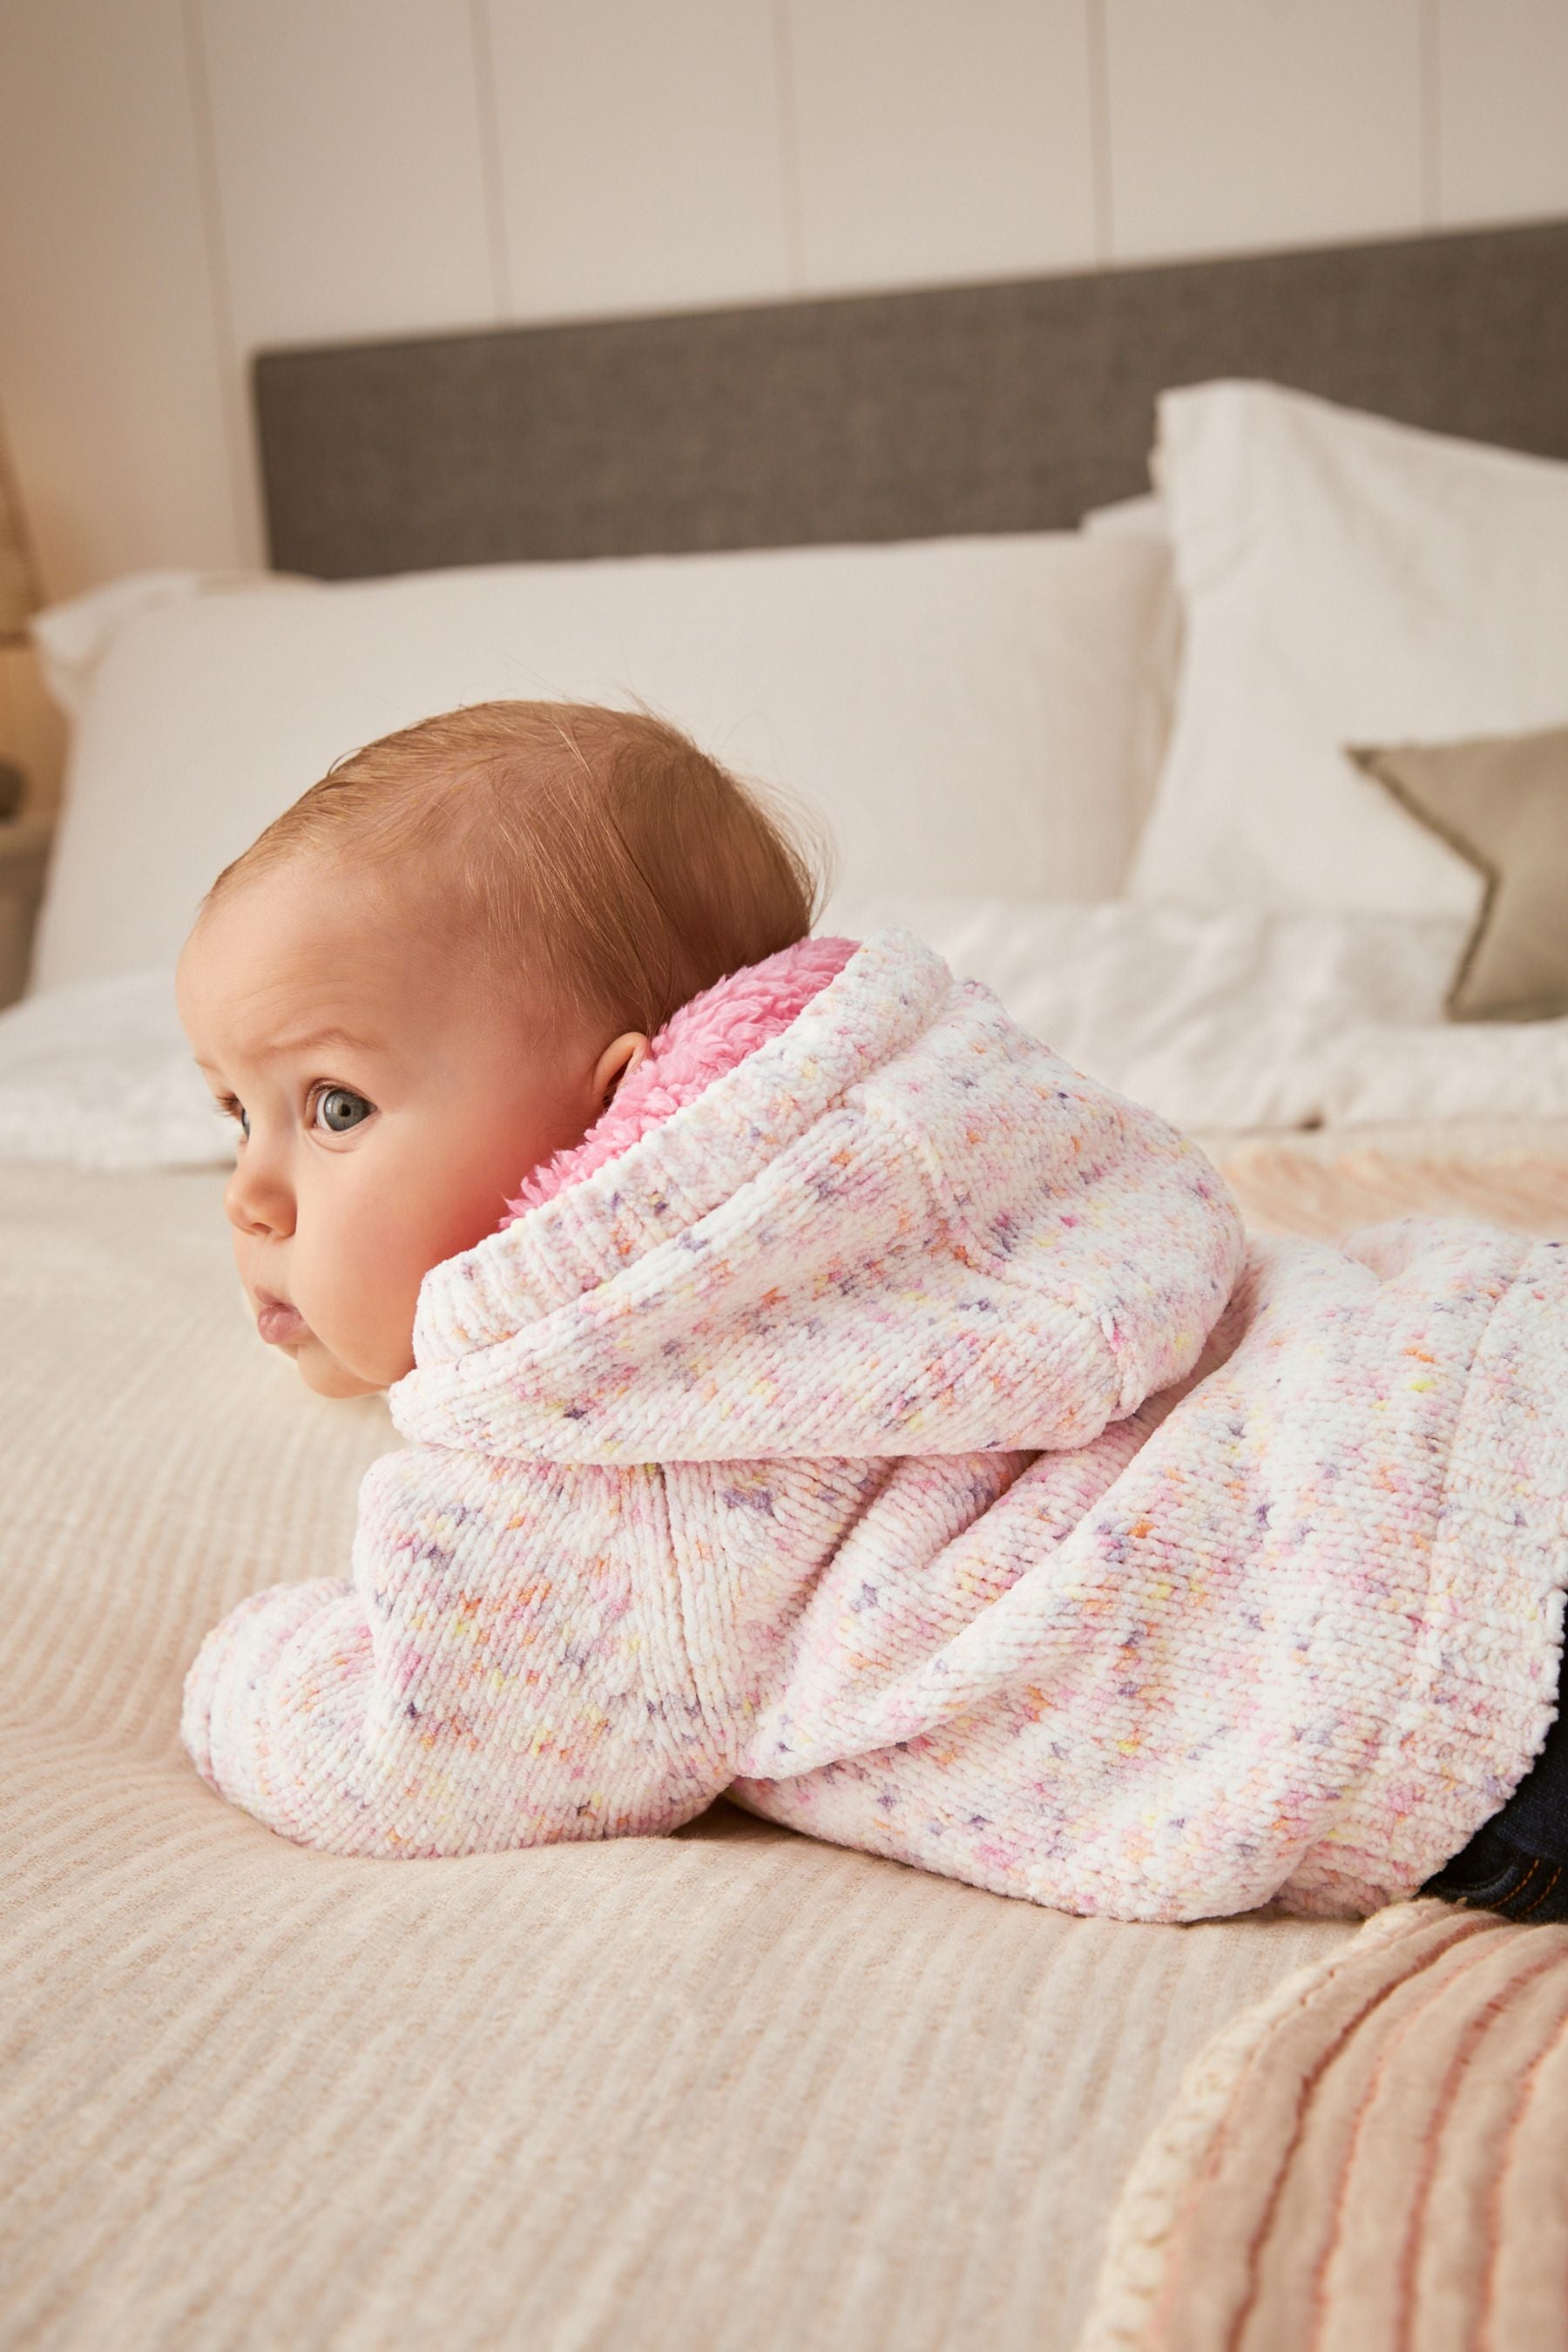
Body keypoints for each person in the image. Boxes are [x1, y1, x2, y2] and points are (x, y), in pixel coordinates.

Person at [175, 700, 1568, 1923]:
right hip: (1479, 1373)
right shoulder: (954, 1154)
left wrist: (246, 1663)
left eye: (334, 1108)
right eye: (236, 1112)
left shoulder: (594, 1458)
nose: (250, 1193)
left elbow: (412, 1750)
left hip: (1451, 1685)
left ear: (613, 1123)